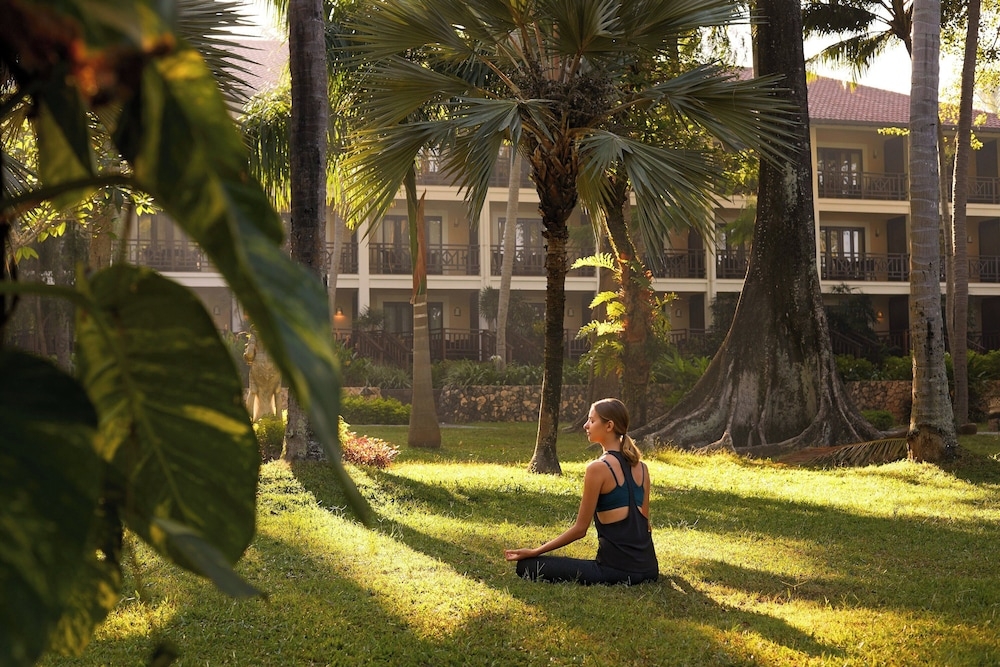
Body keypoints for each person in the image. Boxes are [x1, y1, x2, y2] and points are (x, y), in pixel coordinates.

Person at [504, 398, 659, 585]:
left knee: (526, 566)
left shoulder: (597, 468)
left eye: (592, 420)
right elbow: (645, 524)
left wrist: (535, 551)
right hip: (650, 570)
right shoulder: (641, 468)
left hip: (615, 571)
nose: (586, 425)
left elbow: (580, 530)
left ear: (609, 426)